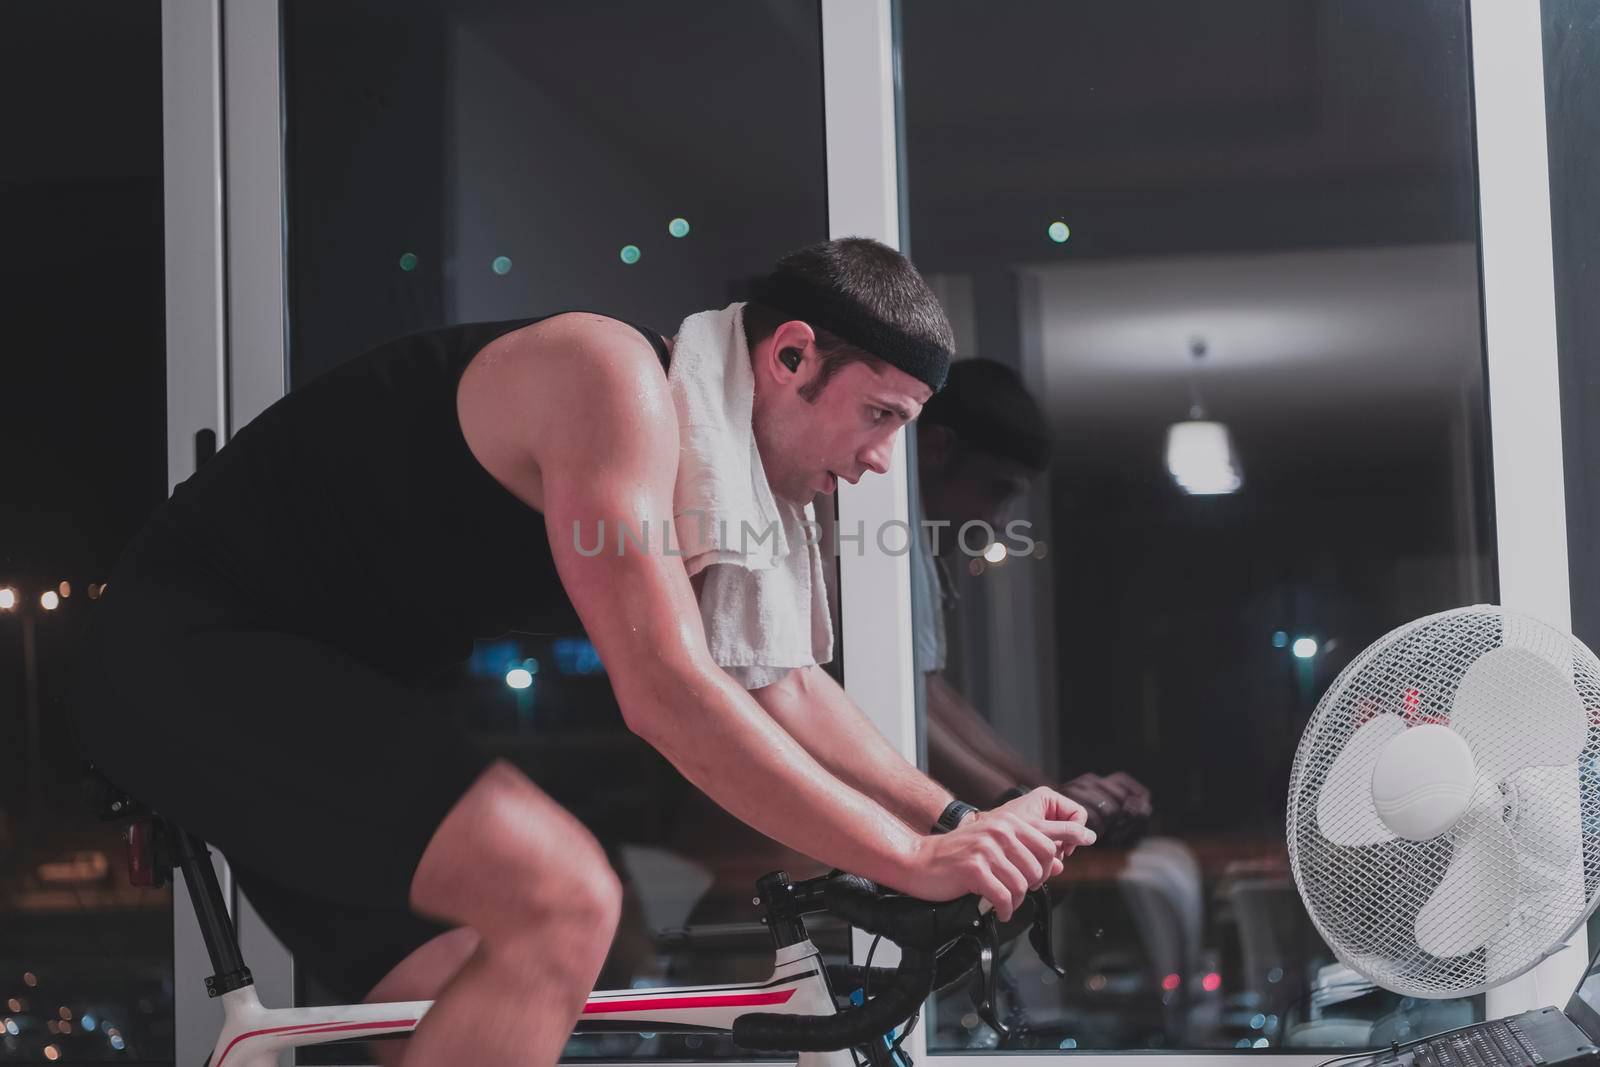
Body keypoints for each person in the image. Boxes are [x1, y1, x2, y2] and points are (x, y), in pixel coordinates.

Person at [66, 237, 1096, 1067]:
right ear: (789, 357)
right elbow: (667, 692)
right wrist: (911, 858)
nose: (881, 461)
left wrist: (959, 819)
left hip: (327, 689)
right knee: (564, 895)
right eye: (878, 417)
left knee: (483, 985)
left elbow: (776, 682)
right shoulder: (608, 379)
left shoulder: (721, 475)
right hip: (194, 648)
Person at [911, 358, 1154, 845]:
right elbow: (903, 710)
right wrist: (1017, 802)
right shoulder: (876, 545)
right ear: (938, 447)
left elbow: (929, 694)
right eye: (995, 491)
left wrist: (1045, 792)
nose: (998, 520)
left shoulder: (915, 546)